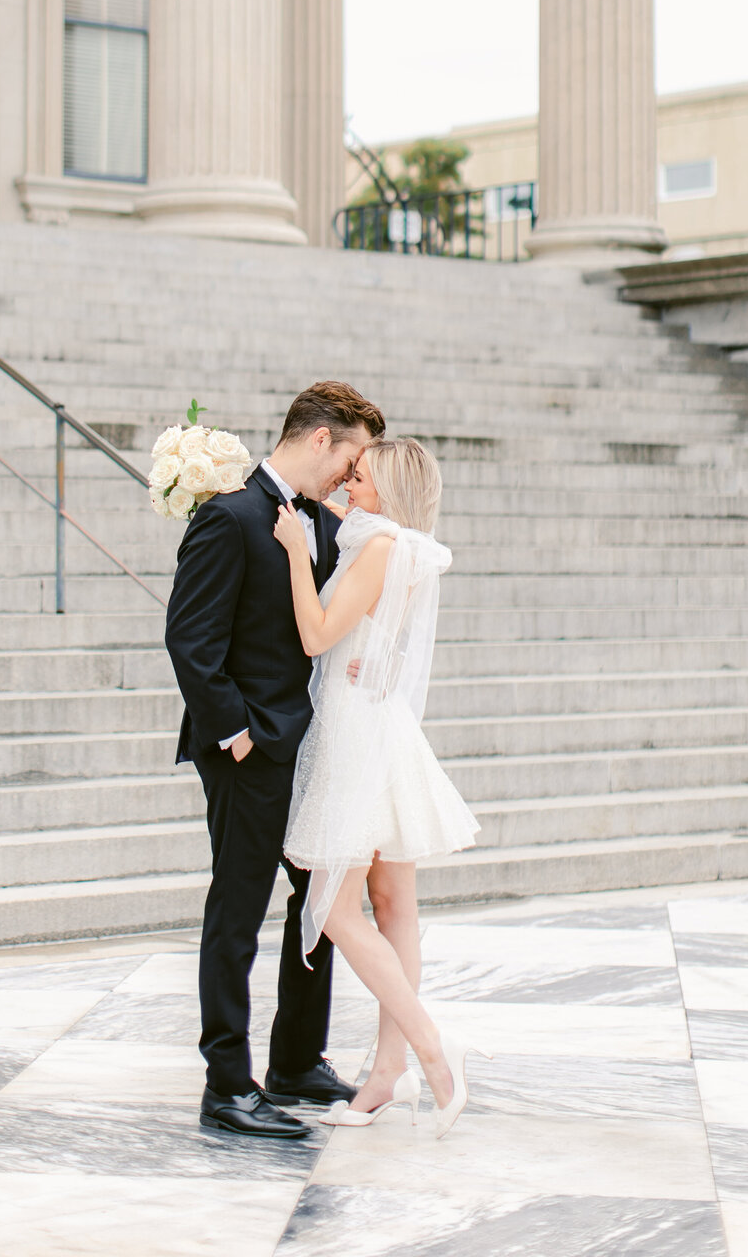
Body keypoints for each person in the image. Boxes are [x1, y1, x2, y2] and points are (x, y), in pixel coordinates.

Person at [164, 381, 387, 1140]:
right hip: (249, 750)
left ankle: (296, 1061)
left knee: (318, 903)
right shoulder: (226, 516)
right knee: (237, 908)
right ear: (322, 439)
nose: (351, 475)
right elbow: (190, 641)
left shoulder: (322, 523)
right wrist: (238, 734)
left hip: (307, 745)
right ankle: (226, 1084)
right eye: (352, 456)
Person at [275, 436, 485, 1139]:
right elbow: (383, 638)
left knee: (335, 908)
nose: (346, 481)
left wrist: (298, 558)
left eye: (358, 476)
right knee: (394, 904)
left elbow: (317, 635)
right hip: (374, 720)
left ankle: (427, 1046)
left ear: (387, 486)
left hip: (357, 735)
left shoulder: (380, 547)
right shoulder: (396, 544)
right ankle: (386, 1074)